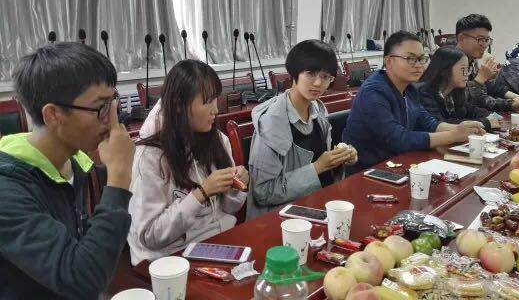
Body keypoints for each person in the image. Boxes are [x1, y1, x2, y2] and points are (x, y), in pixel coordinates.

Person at [0, 43, 134, 299]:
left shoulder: (73, 164)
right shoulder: (7, 190)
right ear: (52, 115)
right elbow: (82, 278)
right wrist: (119, 177)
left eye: (112, 103)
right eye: (100, 107)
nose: (112, 121)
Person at [128, 60, 248, 265]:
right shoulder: (150, 156)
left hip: (218, 241)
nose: (215, 109)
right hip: (171, 257)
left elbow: (230, 208)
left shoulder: (218, 141)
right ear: (178, 105)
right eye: (207, 101)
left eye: (215, 99)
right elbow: (149, 236)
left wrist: (236, 186)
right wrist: (201, 194)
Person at [343, 31, 485, 172]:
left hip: (400, 163)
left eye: (422, 58)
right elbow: (398, 139)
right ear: (389, 61)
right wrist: (453, 135)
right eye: (410, 58)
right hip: (368, 172)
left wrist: (464, 129)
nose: (418, 65)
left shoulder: (409, 88)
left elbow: (428, 123)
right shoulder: (373, 92)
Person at [247, 40, 356, 219]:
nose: (318, 83)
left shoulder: (318, 110)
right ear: (294, 73)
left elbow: (323, 166)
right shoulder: (271, 122)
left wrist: (339, 159)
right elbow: (263, 192)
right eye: (310, 74)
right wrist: (318, 167)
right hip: (280, 218)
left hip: (317, 205)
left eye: (325, 76)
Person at [455, 14, 519, 112]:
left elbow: (481, 98)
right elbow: (460, 105)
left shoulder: (472, 61)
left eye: (487, 40)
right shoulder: (448, 62)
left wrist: (511, 104)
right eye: (480, 39)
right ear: (461, 38)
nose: (485, 45)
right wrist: (479, 80)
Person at [417, 46, 495, 131]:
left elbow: (471, 110)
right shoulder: (424, 92)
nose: (466, 74)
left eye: (467, 69)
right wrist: (486, 122)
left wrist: (492, 116)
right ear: (445, 69)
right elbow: (441, 125)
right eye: (463, 69)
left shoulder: (455, 91)